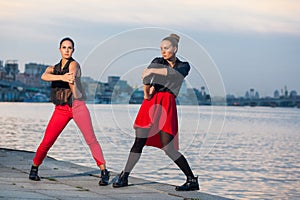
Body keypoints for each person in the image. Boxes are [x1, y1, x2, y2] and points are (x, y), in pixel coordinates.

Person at [113, 34, 199, 191]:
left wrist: (152, 71)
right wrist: (147, 90)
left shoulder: (184, 65)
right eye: (161, 49)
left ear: (175, 49)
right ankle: (124, 176)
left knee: (169, 147)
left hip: (167, 104)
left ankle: (192, 180)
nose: (163, 51)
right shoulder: (157, 61)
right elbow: (146, 77)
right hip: (151, 102)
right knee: (139, 141)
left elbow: (174, 74)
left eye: (166, 48)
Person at [29, 37, 110, 186]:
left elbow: (73, 78)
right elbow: (44, 76)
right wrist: (62, 77)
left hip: (78, 106)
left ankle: (104, 171)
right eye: (64, 47)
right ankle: (34, 168)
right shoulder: (53, 68)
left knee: (90, 139)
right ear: (60, 49)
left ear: (73, 50)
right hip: (61, 109)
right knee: (47, 141)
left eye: (70, 48)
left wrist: (71, 81)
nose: (67, 50)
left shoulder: (74, 64)